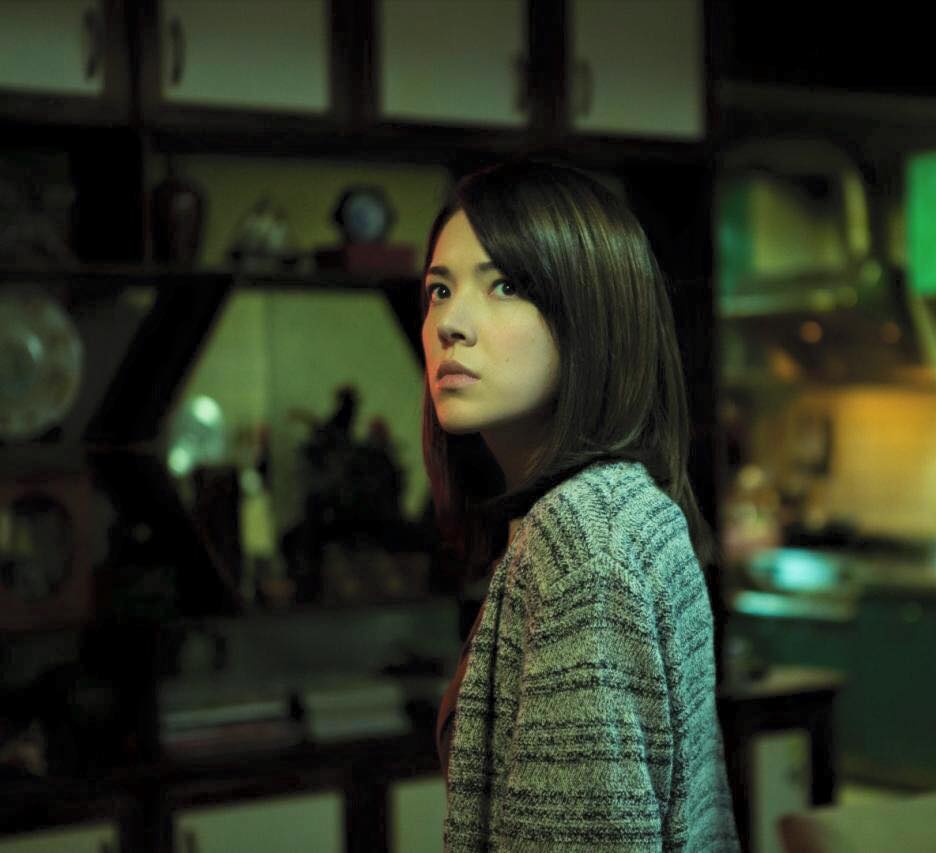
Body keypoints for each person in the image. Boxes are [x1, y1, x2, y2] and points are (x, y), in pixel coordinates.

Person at [423, 159, 741, 851]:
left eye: (506, 285)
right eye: (439, 289)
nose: (450, 322)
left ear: (593, 315)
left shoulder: (583, 536)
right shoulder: (621, 508)